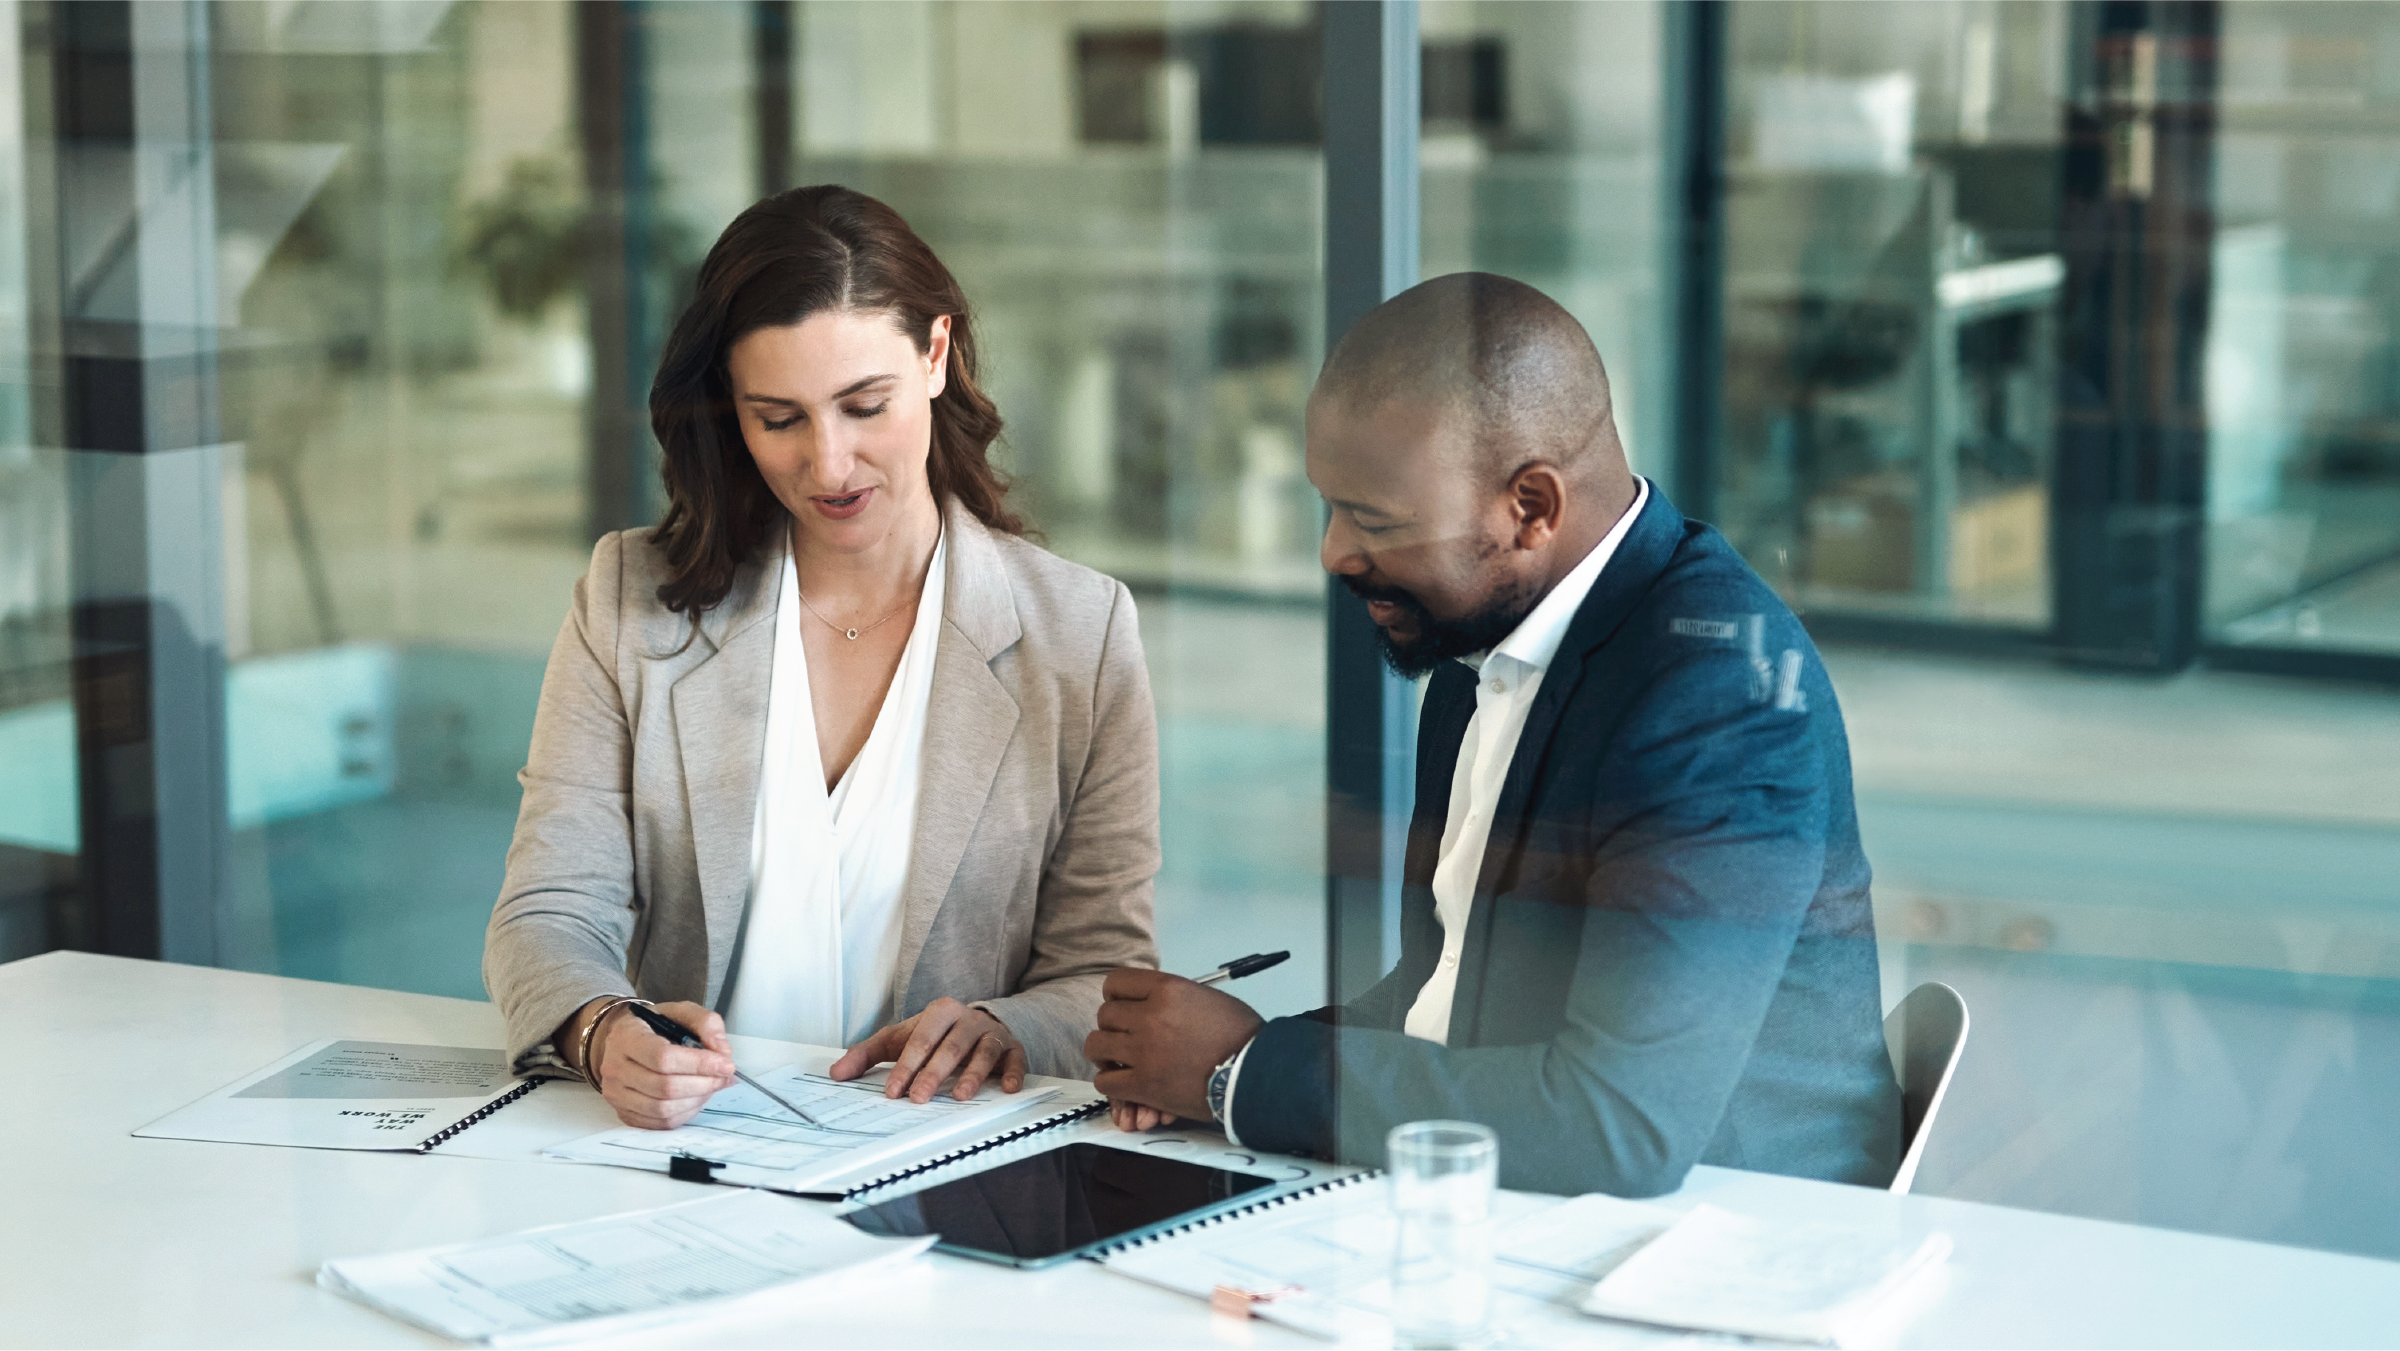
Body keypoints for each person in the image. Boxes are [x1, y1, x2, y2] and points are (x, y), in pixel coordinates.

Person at [1084, 273, 1901, 1195]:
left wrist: (1243, 1073)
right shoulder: (1486, 642)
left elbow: (1616, 1125)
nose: (1334, 552)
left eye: (1376, 520)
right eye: (1331, 504)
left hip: (1724, 1245)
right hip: (1535, 1210)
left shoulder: (1718, 701)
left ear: (1532, 508)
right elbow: (1448, 989)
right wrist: (1219, 1058)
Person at [485, 186, 1160, 1130]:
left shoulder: (1080, 633)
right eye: (779, 418)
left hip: (944, 1161)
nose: (829, 464)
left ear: (935, 354)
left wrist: (1006, 1027)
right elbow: (547, 912)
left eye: (863, 405)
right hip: (685, 1153)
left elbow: (1104, 973)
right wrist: (601, 1028)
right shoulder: (629, 600)